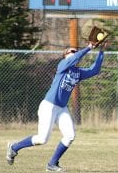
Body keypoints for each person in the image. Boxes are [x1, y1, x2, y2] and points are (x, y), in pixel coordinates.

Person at [6, 41, 108, 172]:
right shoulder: (62, 66)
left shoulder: (78, 72)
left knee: (70, 135)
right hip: (48, 106)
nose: (74, 53)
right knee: (42, 139)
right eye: (71, 51)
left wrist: (101, 51)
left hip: (61, 108)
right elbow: (76, 58)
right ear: (65, 55)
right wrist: (88, 47)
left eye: (75, 52)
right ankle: (14, 147)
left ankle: (52, 164)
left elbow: (95, 70)